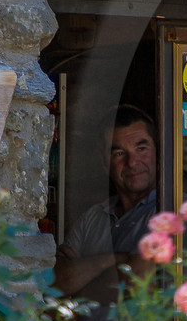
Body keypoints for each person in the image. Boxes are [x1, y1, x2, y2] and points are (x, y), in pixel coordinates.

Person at [55, 105, 159, 310]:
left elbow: (134, 285)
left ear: (159, 152)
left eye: (141, 149)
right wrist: (119, 258)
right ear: (105, 164)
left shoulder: (171, 210)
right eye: (119, 153)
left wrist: (79, 277)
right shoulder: (92, 218)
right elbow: (54, 282)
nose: (132, 162)